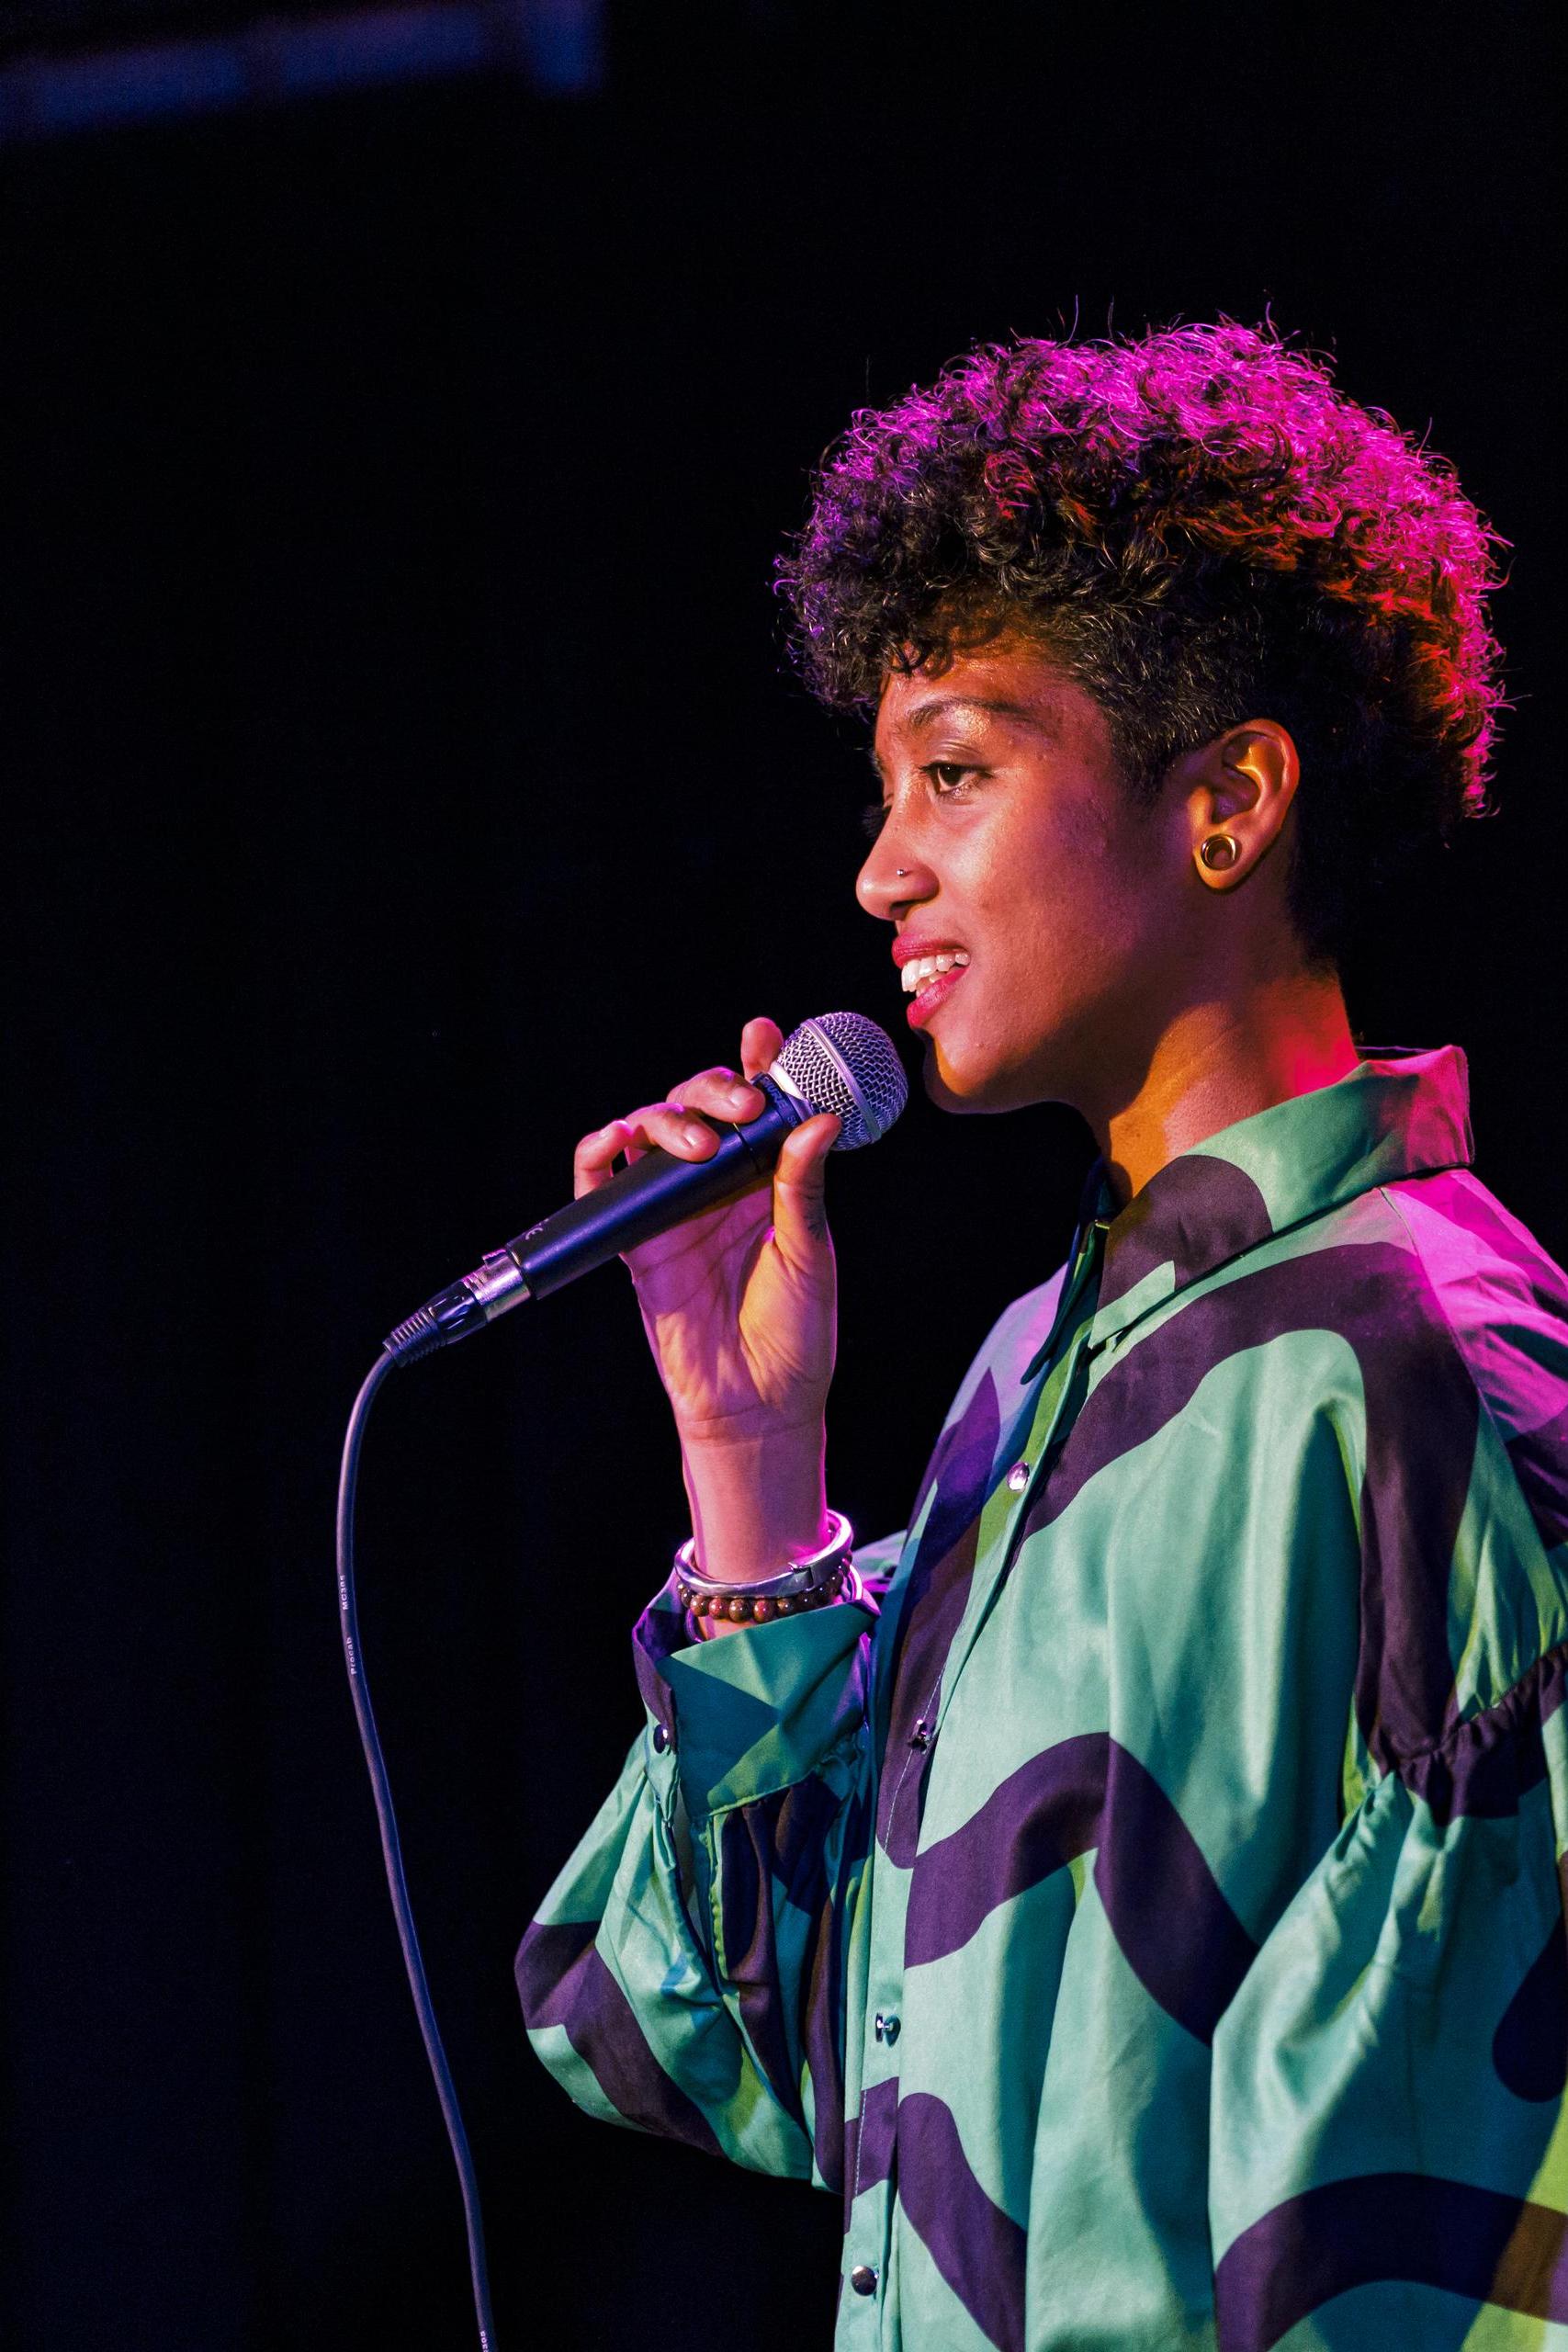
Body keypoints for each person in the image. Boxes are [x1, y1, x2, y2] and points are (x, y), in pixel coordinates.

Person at [515, 322, 1568, 2349]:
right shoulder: (1032, 1379)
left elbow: (1450, 2257)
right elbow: (760, 2057)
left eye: (957, 772)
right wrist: (751, 1468)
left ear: (1225, 801)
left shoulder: (1415, 1377)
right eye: (884, 789)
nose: (878, 869)